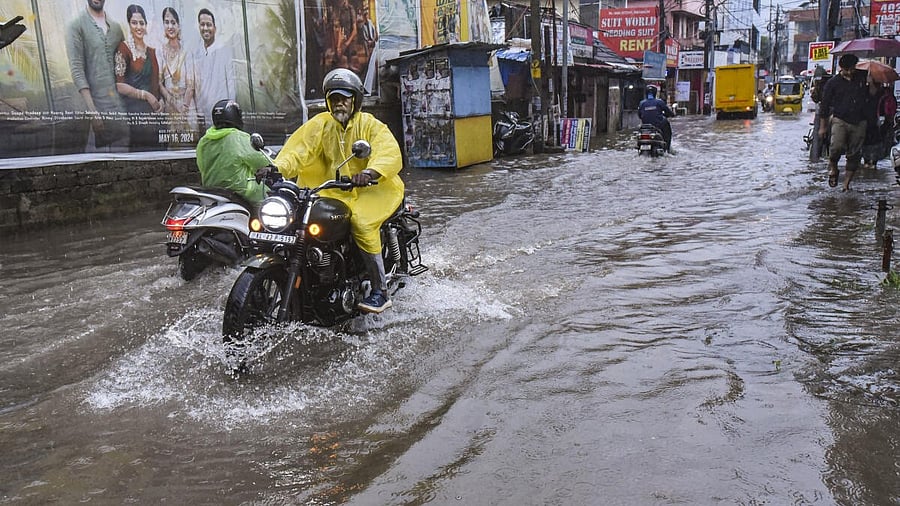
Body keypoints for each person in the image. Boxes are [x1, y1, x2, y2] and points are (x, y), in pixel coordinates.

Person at [258, 68, 404, 314]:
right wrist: (275, 168)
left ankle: (380, 291)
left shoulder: (370, 125)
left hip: (374, 189)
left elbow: (388, 152)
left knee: (361, 222)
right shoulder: (321, 125)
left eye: (344, 98)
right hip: (332, 190)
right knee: (295, 218)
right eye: (334, 98)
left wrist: (370, 172)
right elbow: (298, 150)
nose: (339, 103)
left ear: (355, 100)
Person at [66, 0, 129, 150]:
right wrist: (93, 113)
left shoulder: (116, 28)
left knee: (127, 164)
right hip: (97, 115)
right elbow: (77, 70)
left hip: (122, 112)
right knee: (101, 165)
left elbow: (125, 66)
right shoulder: (76, 26)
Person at [818, 53, 878, 191]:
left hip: (860, 120)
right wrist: (823, 127)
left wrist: (871, 83)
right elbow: (825, 105)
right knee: (835, 147)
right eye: (847, 69)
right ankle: (833, 168)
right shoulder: (833, 83)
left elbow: (873, 95)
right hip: (840, 119)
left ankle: (846, 184)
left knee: (854, 154)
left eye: (852, 69)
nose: (850, 72)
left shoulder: (863, 77)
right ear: (842, 68)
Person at [195, 99, 268, 205]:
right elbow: (261, 162)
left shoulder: (204, 140)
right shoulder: (238, 137)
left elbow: (201, 166)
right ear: (235, 116)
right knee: (270, 194)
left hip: (212, 192)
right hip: (242, 192)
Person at [114, 4, 163, 149]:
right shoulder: (123, 49)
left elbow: (156, 82)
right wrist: (145, 95)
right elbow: (119, 85)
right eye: (134, 23)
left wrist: (161, 101)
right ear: (129, 24)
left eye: (142, 23)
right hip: (137, 115)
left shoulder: (152, 51)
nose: (139, 27)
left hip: (156, 113)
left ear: (146, 24)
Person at [158, 7, 196, 142]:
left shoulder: (186, 50)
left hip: (187, 105)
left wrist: (184, 110)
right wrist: (174, 105)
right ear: (163, 25)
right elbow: (159, 83)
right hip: (170, 106)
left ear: (178, 25)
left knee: (192, 143)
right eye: (167, 22)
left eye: (173, 22)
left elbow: (191, 84)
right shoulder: (160, 51)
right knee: (174, 144)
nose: (170, 26)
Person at [194, 8, 236, 129]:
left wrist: (230, 109)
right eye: (202, 25)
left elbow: (231, 83)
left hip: (223, 114)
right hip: (205, 115)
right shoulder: (197, 53)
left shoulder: (224, 51)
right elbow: (197, 86)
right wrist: (199, 111)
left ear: (215, 28)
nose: (205, 28)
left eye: (209, 25)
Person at [638, 84, 675, 152]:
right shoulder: (659, 102)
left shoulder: (641, 103)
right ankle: (667, 148)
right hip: (658, 125)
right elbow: (668, 112)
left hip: (645, 126)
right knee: (667, 127)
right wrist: (672, 114)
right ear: (655, 93)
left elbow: (639, 115)